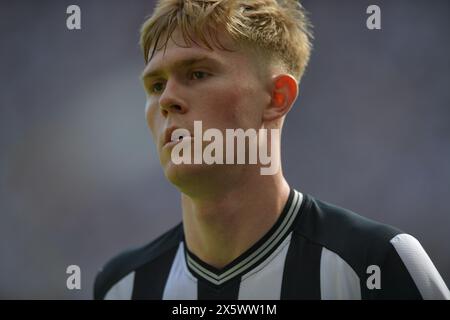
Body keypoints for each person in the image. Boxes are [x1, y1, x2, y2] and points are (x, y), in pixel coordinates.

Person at [94, 0, 449, 300]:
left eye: (198, 73)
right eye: (156, 85)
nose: (167, 98)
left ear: (277, 97)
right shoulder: (122, 287)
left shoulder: (376, 265)